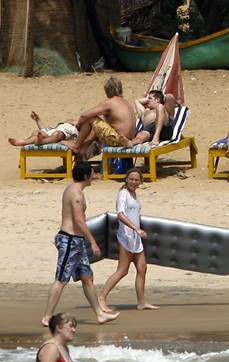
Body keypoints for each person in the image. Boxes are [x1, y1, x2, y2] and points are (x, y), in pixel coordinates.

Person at [42, 162, 120, 327]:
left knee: (87, 278)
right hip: (69, 240)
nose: (94, 176)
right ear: (86, 176)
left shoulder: (72, 189)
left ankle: (99, 314)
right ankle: (47, 317)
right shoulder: (76, 193)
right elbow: (78, 220)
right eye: (92, 173)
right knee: (61, 279)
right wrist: (93, 242)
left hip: (76, 241)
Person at [98, 168, 158, 312]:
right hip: (126, 237)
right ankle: (101, 298)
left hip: (136, 239)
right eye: (131, 179)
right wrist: (136, 229)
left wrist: (138, 231)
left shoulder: (134, 195)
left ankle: (141, 302)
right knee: (122, 271)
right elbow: (120, 214)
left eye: (136, 180)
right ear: (126, 179)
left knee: (142, 268)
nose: (133, 182)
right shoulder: (123, 194)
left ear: (140, 182)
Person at [72, 76, 136, 158]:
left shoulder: (110, 102)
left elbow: (84, 116)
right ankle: (82, 152)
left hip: (119, 139)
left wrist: (78, 125)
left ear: (107, 91)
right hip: (129, 139)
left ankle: (76, 145)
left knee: (90, 119)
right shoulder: (126, 103)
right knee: (97, 125)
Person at [8, 111, 78, 148]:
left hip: (63, 136)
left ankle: (41, 141)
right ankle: (22, 142)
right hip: (52, 135)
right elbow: (45, 130)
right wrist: (37, 120)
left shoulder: (77, 129)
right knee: (37, 132)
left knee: (58, 134)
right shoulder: (60, 126)